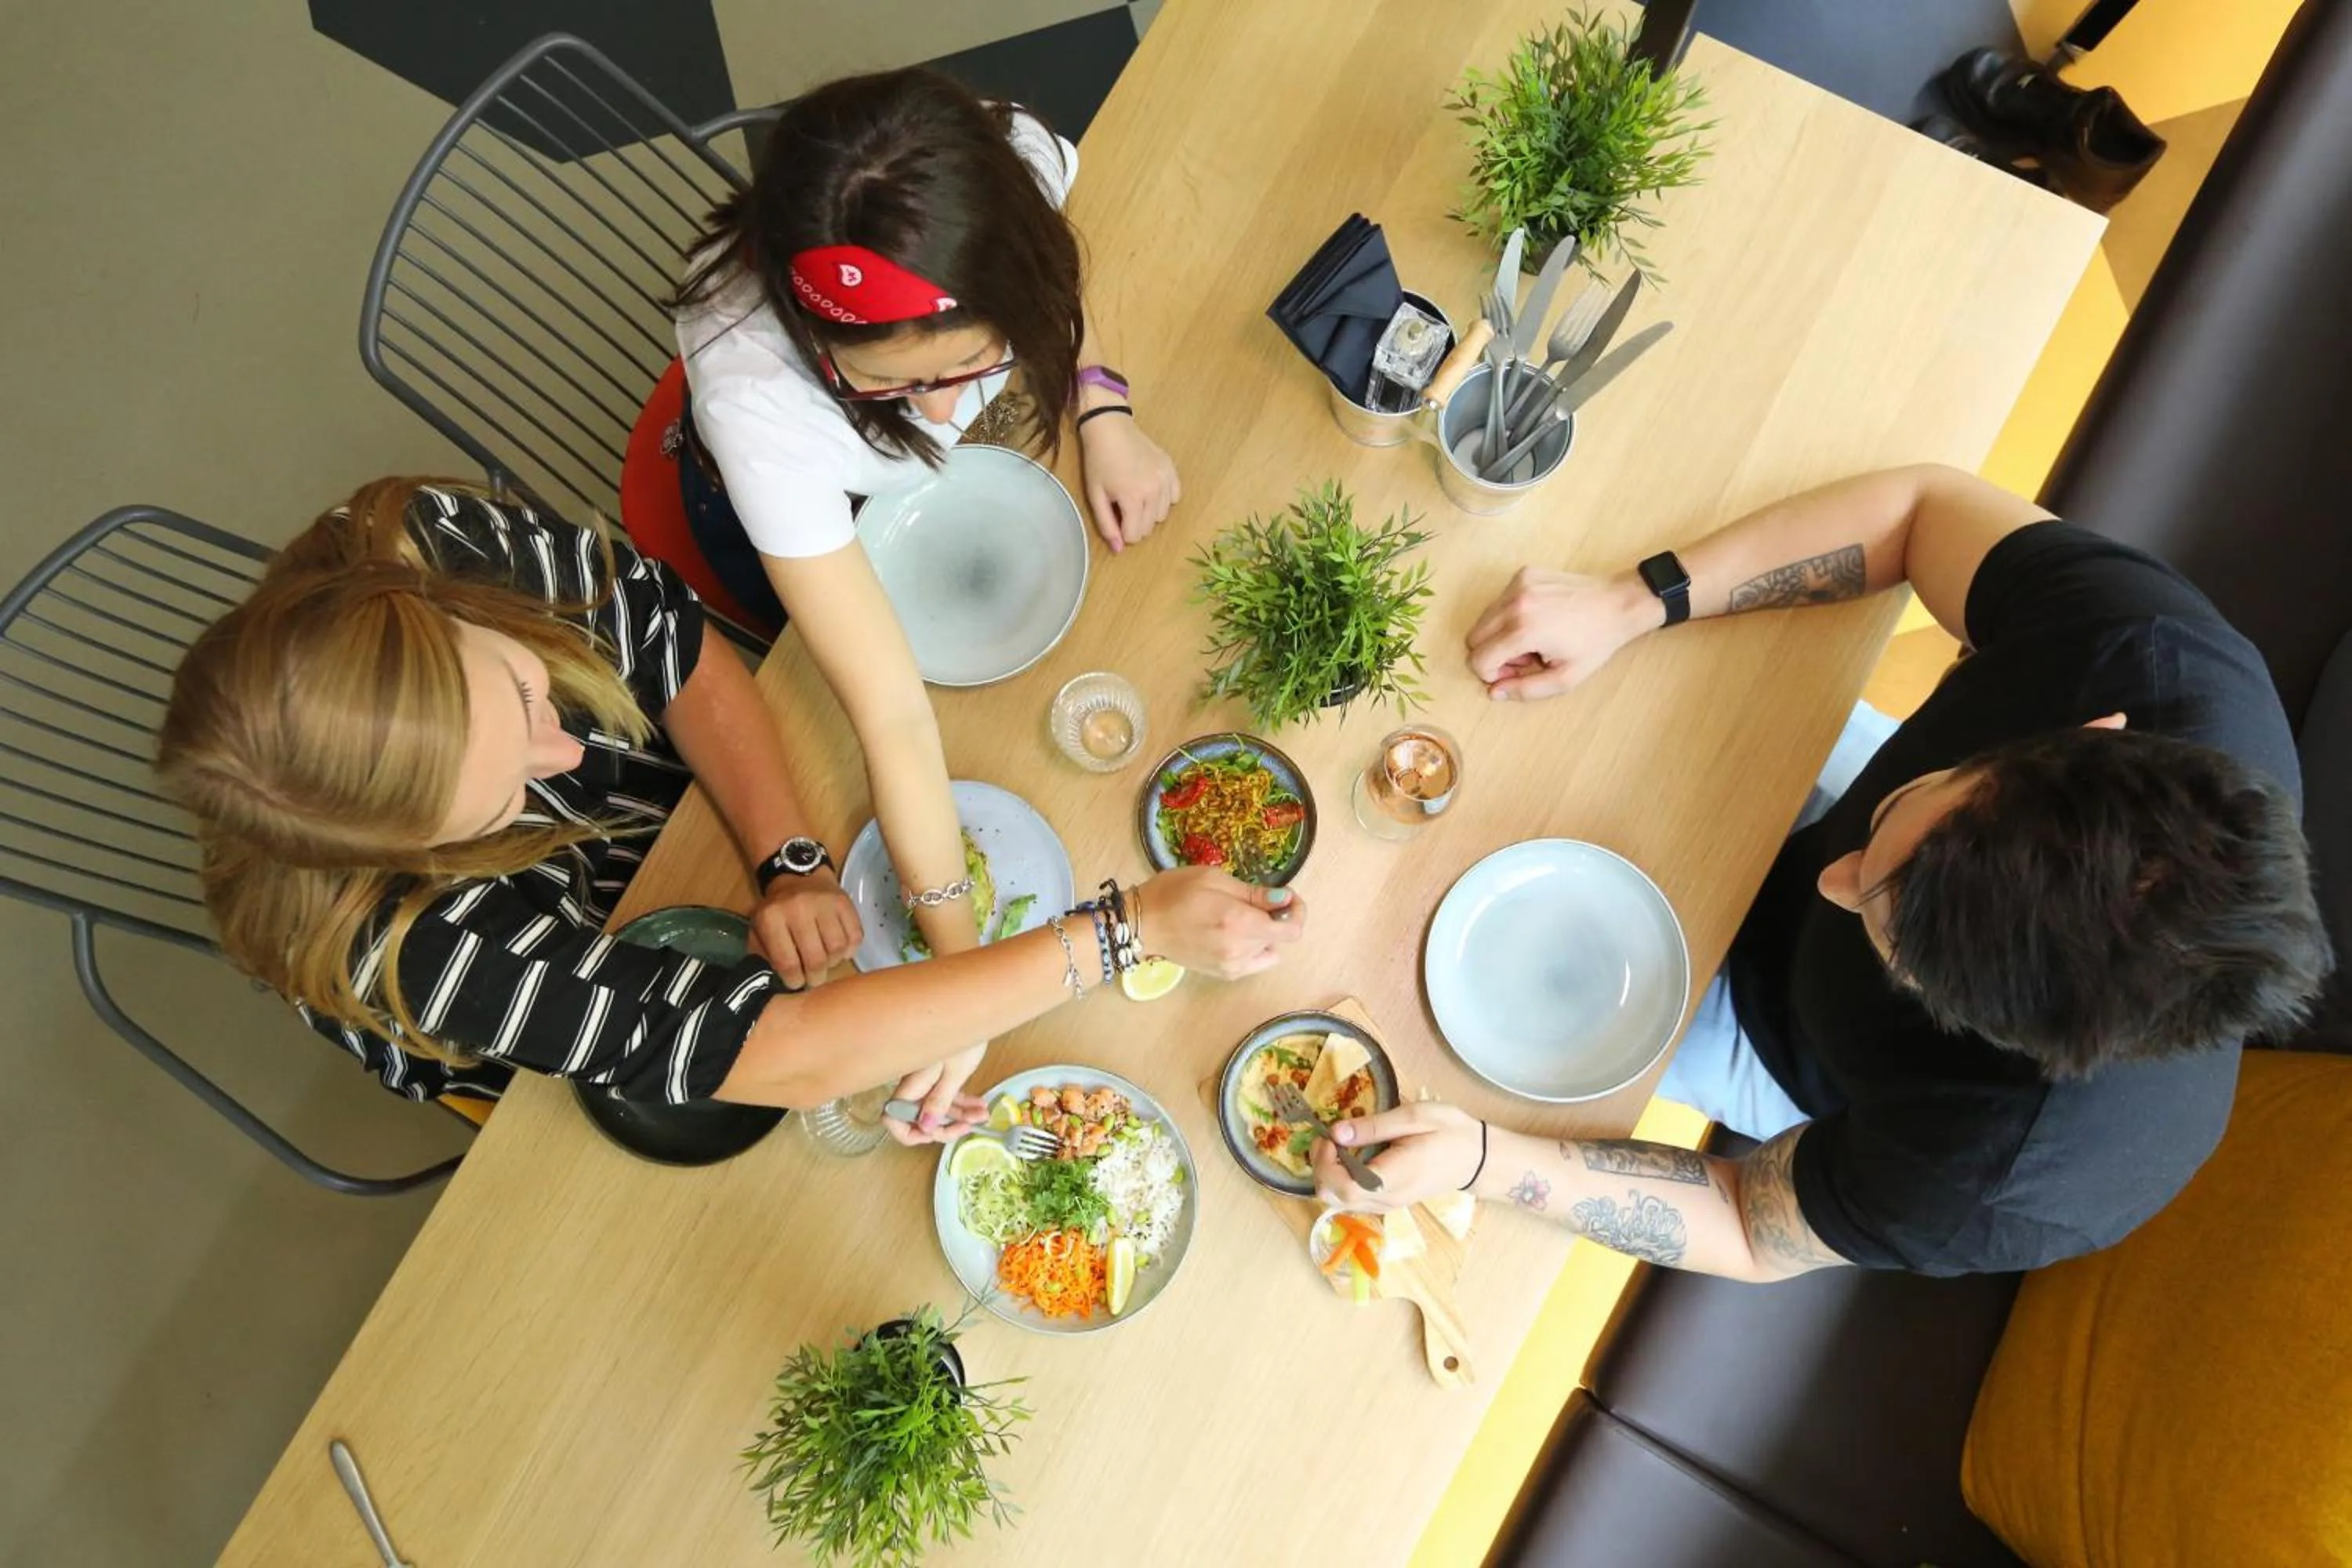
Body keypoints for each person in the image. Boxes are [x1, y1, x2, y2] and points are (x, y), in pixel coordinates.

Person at [1312, 465, 2331, 1279]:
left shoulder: (1999, 1175)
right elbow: (1921, 514)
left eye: (1899, 948)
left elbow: (1750, 1224)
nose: (1836, 885)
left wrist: (1483, 1159)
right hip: (1812, 775)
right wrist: (1634, 601)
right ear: (2087, 733)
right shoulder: (2152, 656)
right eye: (1883, 853)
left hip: (1769, 1033)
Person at [157, 481, 1296, 1116]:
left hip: (675, 832)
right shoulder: (415, 951)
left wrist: (789, 855)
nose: (564, 747)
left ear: (427, 608)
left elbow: (672, 647)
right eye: (508, 790)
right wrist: (1124, 931)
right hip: (562, 996)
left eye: (524, 690)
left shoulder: (426, 545)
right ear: (419, 848)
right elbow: (779, 1056)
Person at [669, 68, 1181, 1137]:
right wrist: (960, 977)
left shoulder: (1010, 157)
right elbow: (893, 714)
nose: (948, 414)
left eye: (974, 364)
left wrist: (1099, 404)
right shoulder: (755, 396)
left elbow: (1053, 281)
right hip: (783, 510)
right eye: (889, 386)